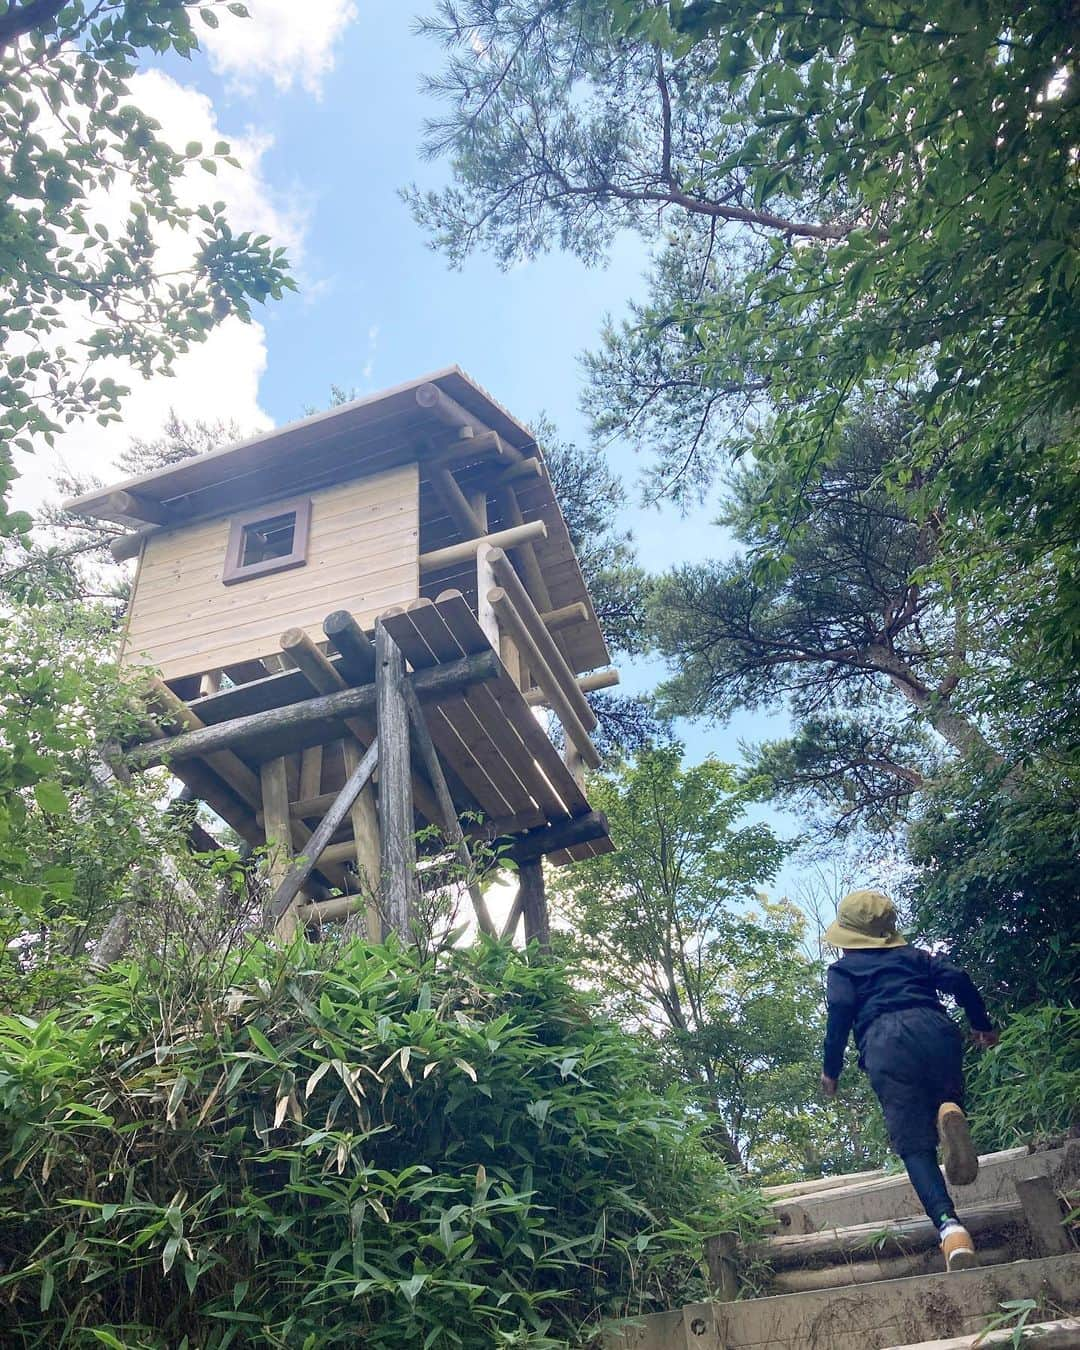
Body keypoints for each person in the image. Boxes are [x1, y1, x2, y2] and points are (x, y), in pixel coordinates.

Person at [819, 888, 999, 1271]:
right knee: (944, 1102)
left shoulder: (844, 970)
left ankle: (951, 1230)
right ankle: (949, 1109)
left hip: (886, 1043)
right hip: (935, 1030)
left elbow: (840, 1011)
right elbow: (960, 979)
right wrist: (981, 1025)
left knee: (915, 1147)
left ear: (849, 939)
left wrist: (830, 1069)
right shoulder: (914, 957)